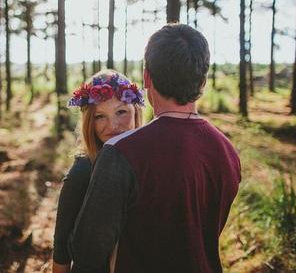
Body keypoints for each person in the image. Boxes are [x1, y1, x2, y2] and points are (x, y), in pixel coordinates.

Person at [68, 24, 241, 273]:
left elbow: (87, 252)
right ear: (203, 81)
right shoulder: (228, 152)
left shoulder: (120, 152)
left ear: (147, 77)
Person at [52, 70, 144, 273]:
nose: (112, 126)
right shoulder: (83, 170)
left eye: (121, 112)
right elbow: (61, 251)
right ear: (88, 123)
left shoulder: (147, 162)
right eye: (100, 116)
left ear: (136, 111)